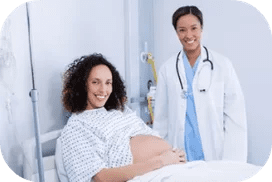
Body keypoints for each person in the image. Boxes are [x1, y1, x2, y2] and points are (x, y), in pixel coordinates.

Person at [57, 53, 186, 182]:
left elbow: (149, 136)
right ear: (82, 85)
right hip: (149, 174)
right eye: (96, 82)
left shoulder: (120, 111)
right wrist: (160, 161)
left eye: (108, 83)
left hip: (170, 167)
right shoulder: (76, 128)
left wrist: (173, 155)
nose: (103, 90)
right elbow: (100, 178)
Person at [153, 6, 247, 162]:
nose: (188, 35)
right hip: (179, 153)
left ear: (201, 29)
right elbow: (161, 120)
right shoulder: (167, 69)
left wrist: (234, 160)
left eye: (194, 28)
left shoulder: (222, 65)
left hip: (215, 151)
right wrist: (160, 157)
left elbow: (235, 116)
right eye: (182, 30)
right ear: (176, 33)